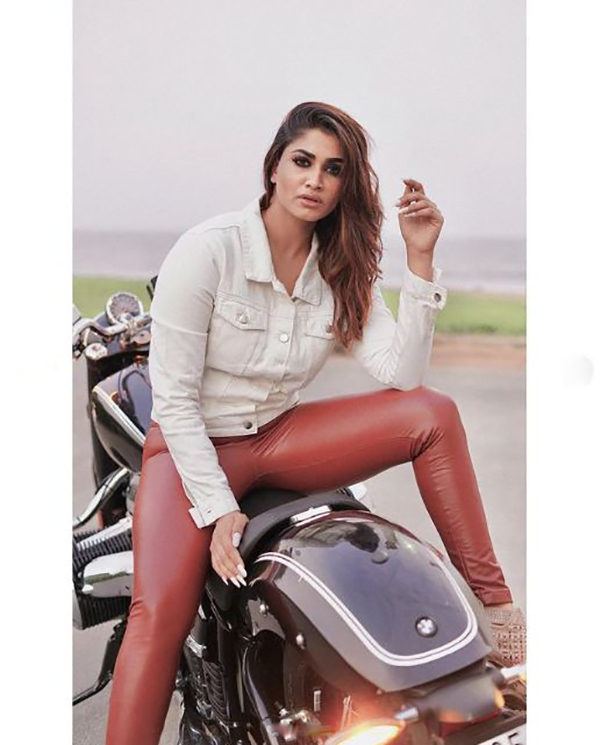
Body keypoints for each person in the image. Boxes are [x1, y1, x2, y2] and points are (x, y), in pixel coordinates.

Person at [104, 101, 526, 745]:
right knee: (156, 615)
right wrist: (218, 510)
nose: (315, 180)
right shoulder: (209, 250)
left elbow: (402, 374)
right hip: (192, 448)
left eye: (333, 170)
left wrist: (418, 261)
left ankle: (500, 620)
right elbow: (177, 400)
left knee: (433, 413)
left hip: (279, 437)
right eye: (303, 161)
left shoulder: (341, 263)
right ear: (274, 166)